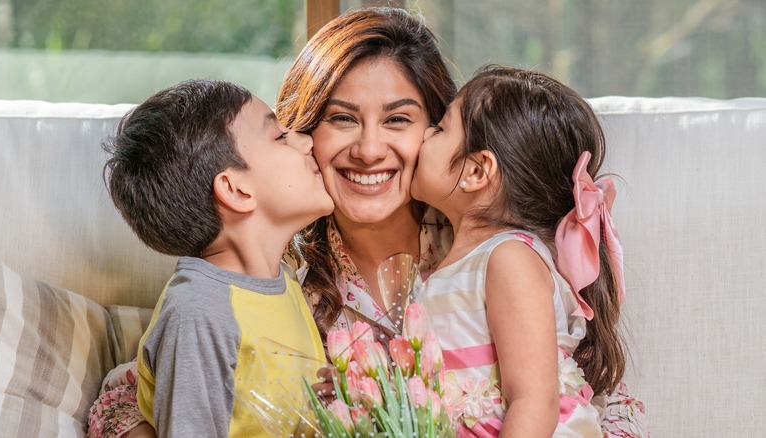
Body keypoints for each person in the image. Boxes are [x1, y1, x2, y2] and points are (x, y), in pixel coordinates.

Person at [89, 7, 647, 438]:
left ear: (442, 137)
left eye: (400, 119)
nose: (370, 149)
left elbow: (577, 395)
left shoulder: (488, 248)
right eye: (342, 119)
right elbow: (138, 390)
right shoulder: (274, 276)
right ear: (304, 132)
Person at [411, 65, 649, 437]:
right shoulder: (448, 259)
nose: (425, 133)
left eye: (440, 128)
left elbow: (534, 402)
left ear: (476, 171)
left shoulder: (509, 260)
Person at [97, 79, 333, 437]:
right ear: (236, 190)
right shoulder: (199, 312)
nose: (306, 140)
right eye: (281, 137)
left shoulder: (281, 277)